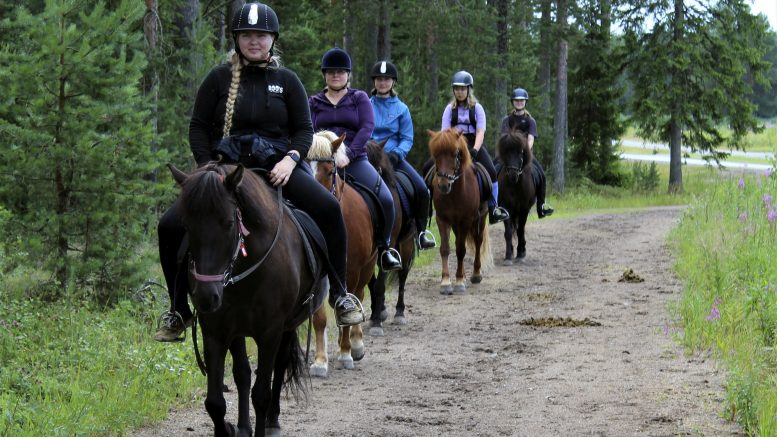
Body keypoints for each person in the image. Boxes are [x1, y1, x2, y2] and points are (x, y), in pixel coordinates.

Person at [154, 3, 364, 342]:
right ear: (237, 39)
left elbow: (303, 129)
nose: (255, 41)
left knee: (328, 209)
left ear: (272, 40)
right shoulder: (219, 78)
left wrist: (291, 159)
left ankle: (340, 294)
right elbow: (197, 127)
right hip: (225, 172)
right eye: (248, 35)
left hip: (276, 169)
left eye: (261, 35)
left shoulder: (287, 81)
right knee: (168, 226)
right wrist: (208, 165)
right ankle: (179, 309)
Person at [309, 48, 403, 272]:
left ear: (347, 75)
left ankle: (384, 248)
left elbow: (367, 127)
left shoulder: (359, 98)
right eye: (331, 72)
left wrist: (348, 155)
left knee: (385, 198)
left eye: (340, 72)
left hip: (354, 159)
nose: (335, 75)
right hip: (320, 160)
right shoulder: (314, 101)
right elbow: (307, 130)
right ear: (325, 74)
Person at [368, 60, 436, 250]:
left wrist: (397, 154)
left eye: (387, 79)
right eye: (379, 79)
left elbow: (407, 137)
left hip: (394, 159)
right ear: (374, 82)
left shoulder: (401, 109)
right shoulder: (365, 104)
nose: (383, 83)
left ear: (393, 82)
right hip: (369, 157)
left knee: (422, 189)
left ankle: (421, 232)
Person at [441, 70, 509, 224]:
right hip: (453, 145)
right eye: (457, 89)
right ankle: (430, 209)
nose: (459, 92)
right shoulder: (449, 109)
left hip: (473, 144)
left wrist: (475, 150)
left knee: (491, 172)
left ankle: (493, 208)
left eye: (463, 89)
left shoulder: (477, 108)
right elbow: (445, 132)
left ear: (469, 90)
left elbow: (480, 131)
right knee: (430, 169)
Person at [499, 87, 554, 218]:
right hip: (509, 156)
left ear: (525, 102)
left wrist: (524, 151)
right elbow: (504, 138)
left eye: (521, 100)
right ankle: (496, 206)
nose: (519, 103)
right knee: (493, 171)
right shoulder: (507, 120)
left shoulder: (530, 121)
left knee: (541, 175)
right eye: (516, 100)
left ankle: (541, 206)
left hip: (525, 154)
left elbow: (531, 139)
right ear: (512, 102)